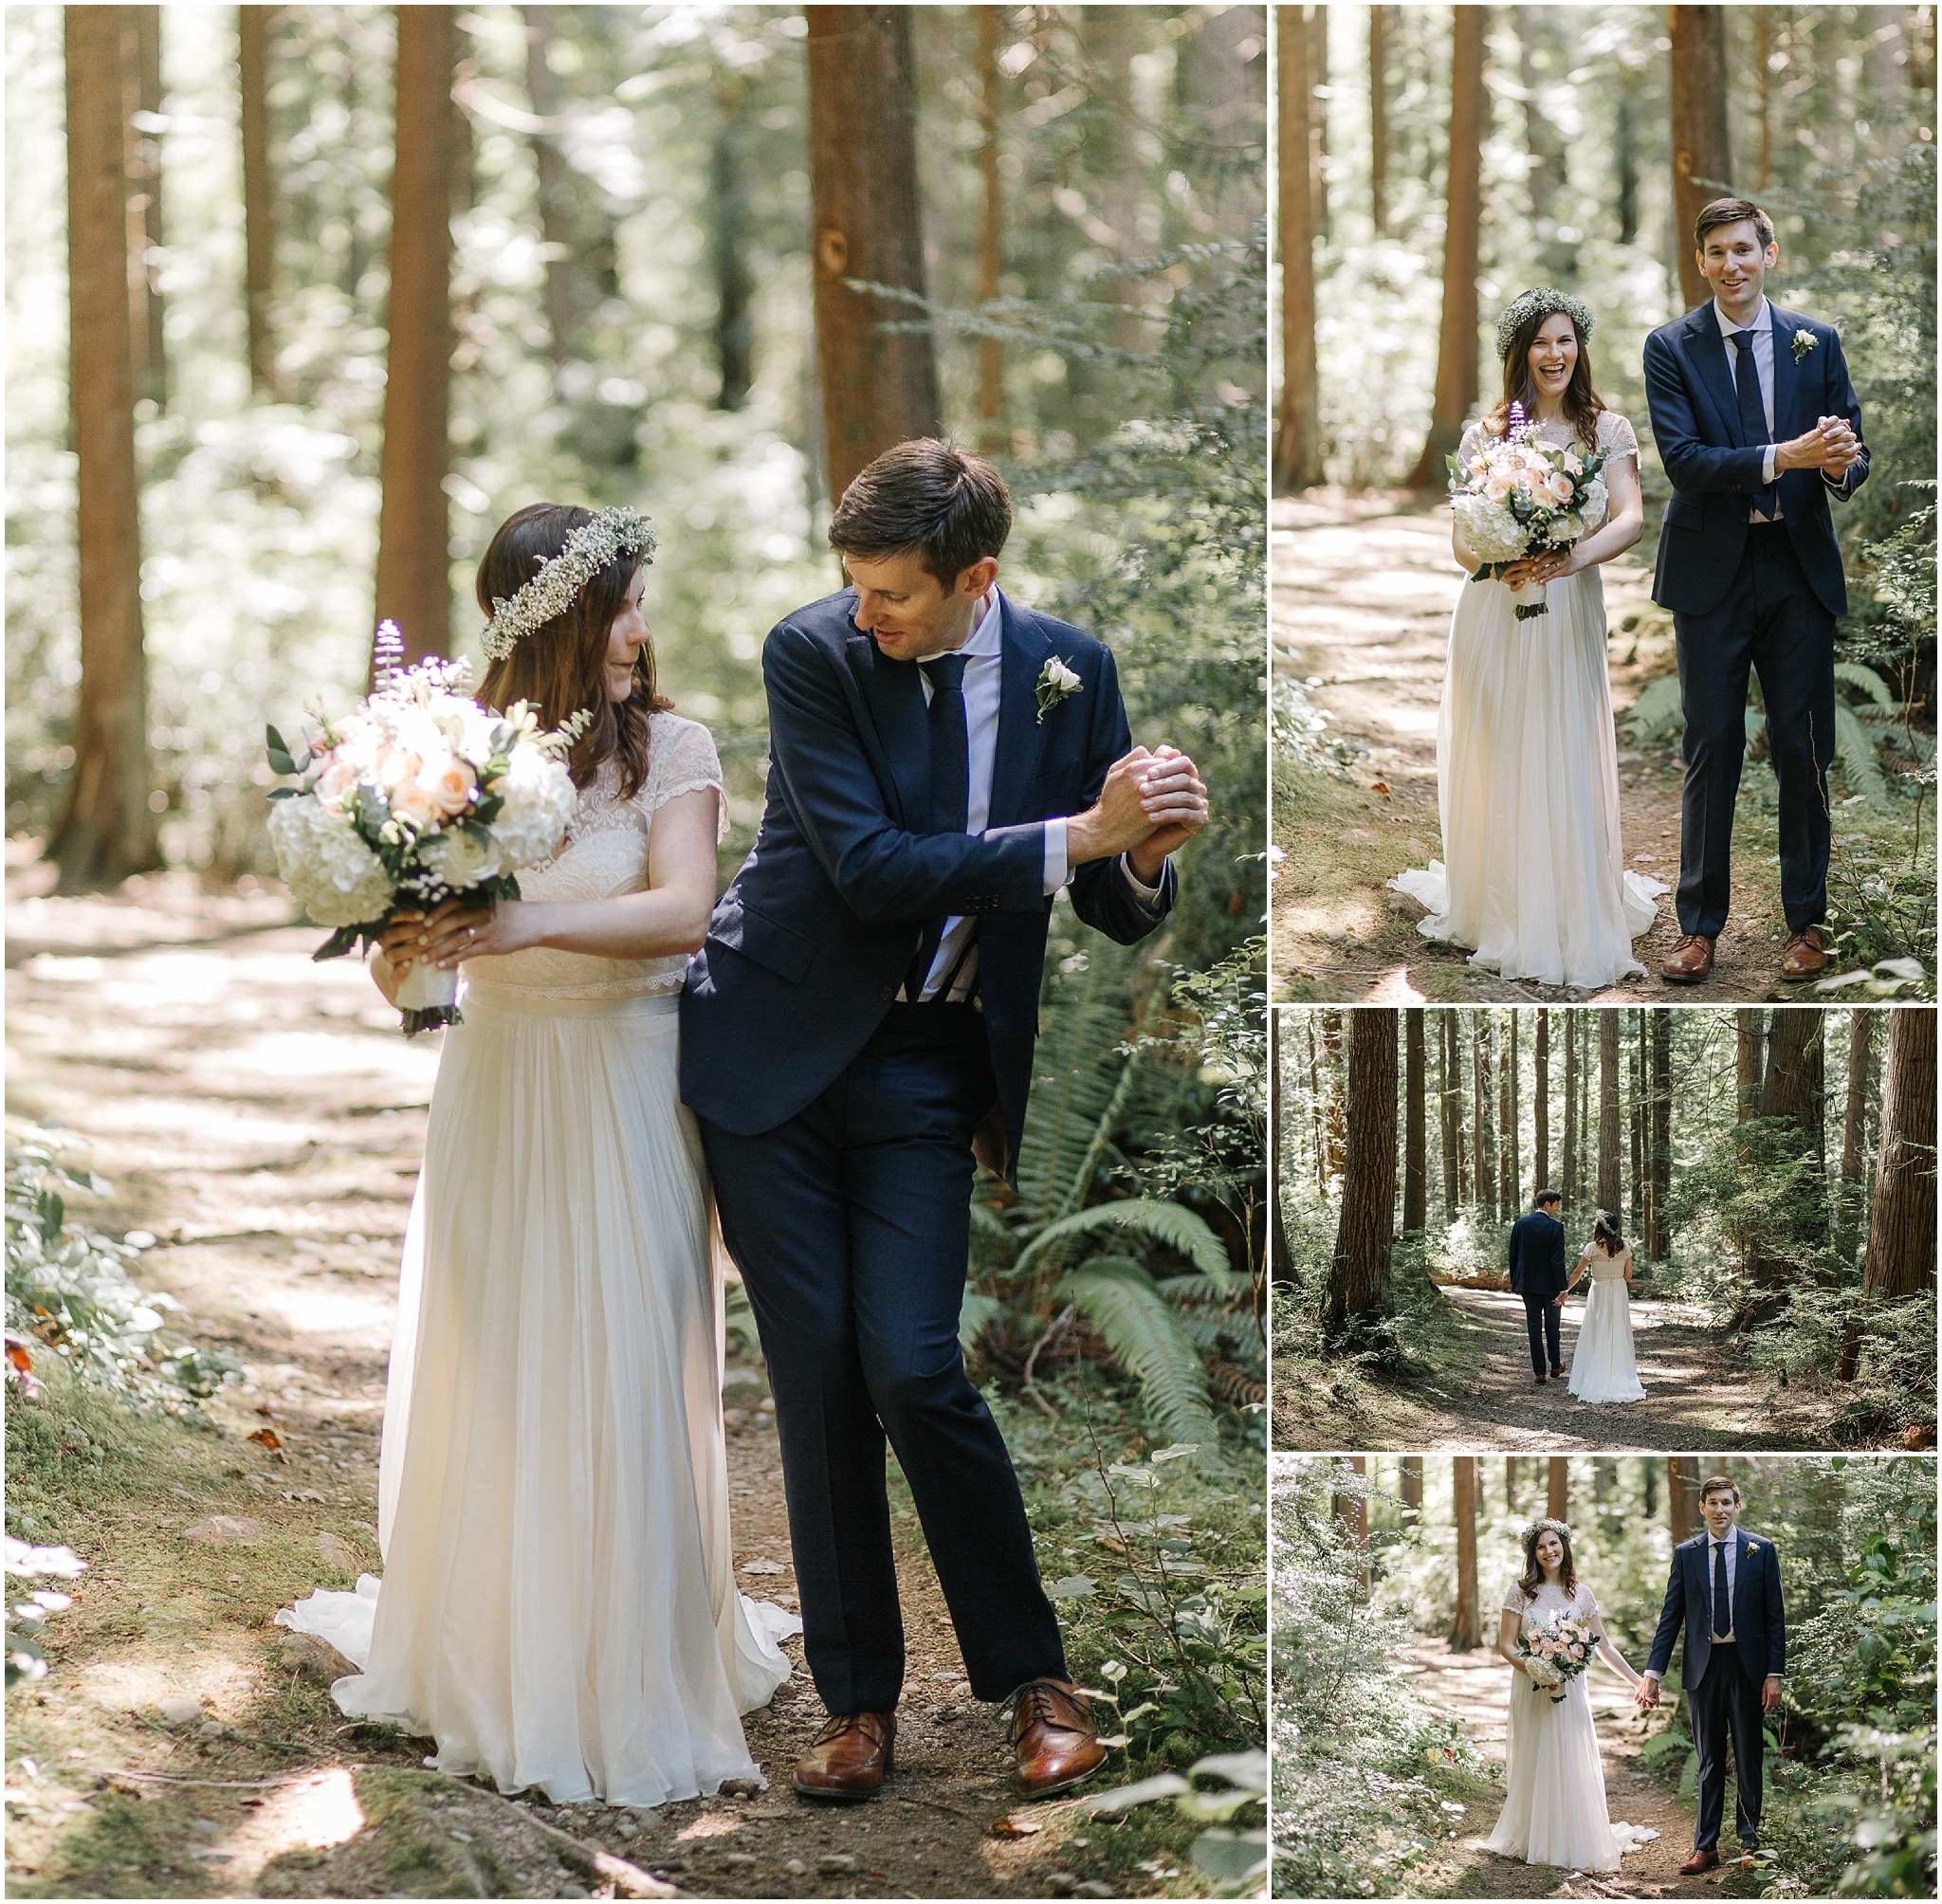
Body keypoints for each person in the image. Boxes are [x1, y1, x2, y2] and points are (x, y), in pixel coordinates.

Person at [680, 438, 1208, 1803]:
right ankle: (859, 1705)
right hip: (773, 1054)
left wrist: (1142, 847)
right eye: (853, 585)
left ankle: (1034, 1679)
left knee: (914, 1364)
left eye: (895, 594)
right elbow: (866, 871)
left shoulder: (1068, 669)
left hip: (928, 1063)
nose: (867, 612)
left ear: (979, 578)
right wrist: (1081, 837)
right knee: (817, 1380)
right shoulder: (814, 656)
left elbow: (1105, 901)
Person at [279, 503, 798, 1804]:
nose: (639, 626)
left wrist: (521, 927)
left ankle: (625, 1660)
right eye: (619, 603)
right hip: (501, 1082)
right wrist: (404, 954)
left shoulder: (671, 747)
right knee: (504, 1353)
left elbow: (683, 912)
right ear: (558, 618)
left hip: (630, 1078)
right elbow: (412, 969)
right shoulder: (447, 759)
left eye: (639, 600)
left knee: (623, 1359)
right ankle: (493, 1652)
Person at [1391, 288, 1665, 987]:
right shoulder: (1487, 436)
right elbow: (1459, 540)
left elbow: (1631, 519)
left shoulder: (1609, 430)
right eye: (1542, 343)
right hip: (1494, 606)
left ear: (1581, 348)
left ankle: (1564, 903)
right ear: (1521, 353)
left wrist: (1568, 558)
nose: (1556, 354)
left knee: (1561, 741)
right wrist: (1501, 554)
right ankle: (1498, 902)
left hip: (1569, 603)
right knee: (1501, 744)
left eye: (1566, 341)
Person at [1643, 196, 1868, 986]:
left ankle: (1808, 924)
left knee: (1804, 750)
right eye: (1716, 253)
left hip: (1798, 570)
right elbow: (1688, 461)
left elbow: (1851, 446)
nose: (1731, 265)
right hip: (1712, 571)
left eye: (1744, 249)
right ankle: (1699, 929)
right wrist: (1788, 454)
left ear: (1769, 253)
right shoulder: (1670, 347)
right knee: (1714, 746)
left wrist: (1839, 461)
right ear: (1700, 263)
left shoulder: (1817, 342)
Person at [1485, 1519, 1657, 1871]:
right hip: (1532, 1684)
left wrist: (1637, 1681)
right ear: (1532, 1554)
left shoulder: (1582, 1594)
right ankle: (1535, 1834)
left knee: (1569, 1757)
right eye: (1541, 1547)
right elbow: (1505, 1645)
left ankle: (1569, 1834)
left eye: (1554, 1544)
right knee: (1537, 1754)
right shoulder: (1519, 1592)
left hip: (1572, 1688)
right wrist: (1540, 1670)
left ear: (1564, 1545)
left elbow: (1603, 1647)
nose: (1549, 1551)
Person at [1638, 1475, 1786, 1872]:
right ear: (1701, 1508)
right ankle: (1706, 1846)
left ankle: (1749, 1843)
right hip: (1702, 1669)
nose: (1720, 1509)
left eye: (1727, 1502)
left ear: (1738, 1507)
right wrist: (1652, 1672)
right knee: (1708, 1760)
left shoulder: (1761, 1550)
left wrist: (1775, 1673)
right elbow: (1671, 1617)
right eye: (1713, 1503)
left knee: (1749, 1755)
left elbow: (1775, 1617)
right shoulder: (1686, 1554)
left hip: (1747, 1667)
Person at [1565, 1209, 1646, 1404]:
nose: (1593, 1224)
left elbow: (1577, 1273)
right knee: (1616, 1329)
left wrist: (1565, 1290)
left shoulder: (1592, 1248)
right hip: (1617, 1290)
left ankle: (1593, 1376)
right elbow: (1628, 1276)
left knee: (1596, 1329)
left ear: (1601, 1226)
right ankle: (1618, 1376)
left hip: (1599, 1290)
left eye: (1595, 1222)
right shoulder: (1624, 1247)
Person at [1507, 1188, 1569, 1385]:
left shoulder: (1520, 1224)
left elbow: (1513, 1256)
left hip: (1526, 1284)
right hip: (1550, 1286)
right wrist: (1563, 1288)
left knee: (1533, 1326)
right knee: (1552, 1325)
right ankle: (1555, 1365)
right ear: (1547, 1204)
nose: (1557, 1210)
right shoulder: (1555, 1227)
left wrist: (1516, 1281)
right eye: (1556, 1205)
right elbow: (1557, 1261)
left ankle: (1539, 1371)